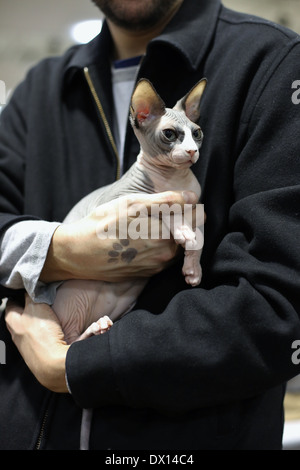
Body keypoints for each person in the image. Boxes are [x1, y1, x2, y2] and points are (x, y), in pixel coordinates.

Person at [0, 0, 299, 450]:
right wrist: (59, 251)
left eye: (195, 135)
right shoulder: (37, 90)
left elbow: (281, 305)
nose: (190, 147)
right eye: (174, 136)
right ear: (146, 117)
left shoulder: (272, 63)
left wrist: (76, 366)